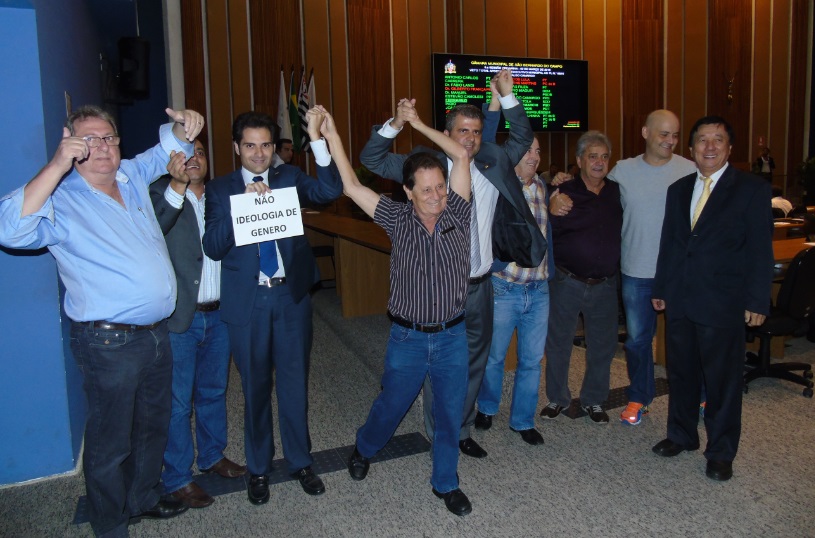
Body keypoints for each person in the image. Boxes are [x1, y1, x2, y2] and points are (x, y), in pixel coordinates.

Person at [0, 104, 204, 536]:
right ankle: (110, 525)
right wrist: (56, 165)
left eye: (108, 138)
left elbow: (169, 144)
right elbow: (9, 230)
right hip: (108, 343)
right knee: (111, 444)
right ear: (71, 144)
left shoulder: (129, 176)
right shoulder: (61, 200)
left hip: (156, 335)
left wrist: (183, 127)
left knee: (152, 428)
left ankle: (144, 498)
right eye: (89, 139)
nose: (103, 147)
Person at [360, 69, 544, 460]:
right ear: (448, 132)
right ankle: (436, 432)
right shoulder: (423, 166)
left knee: (470, 366)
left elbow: (523, 138)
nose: (471, 139)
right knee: (432, 366)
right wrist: (398, 122)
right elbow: (371, 158)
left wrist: (508, 97)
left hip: (480, 285)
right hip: (435, 293)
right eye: (463, 131)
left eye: (477, 132)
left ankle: (458, 429)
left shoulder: (494, 159)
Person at [320, 102, 474, 516]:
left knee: (448, 413)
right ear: (408, 192)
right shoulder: (396, 217)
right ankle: (365, 446)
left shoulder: (459, 212)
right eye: (425, 189)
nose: (436, 196)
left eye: (440, 186)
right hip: (406, 337)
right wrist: (333, 134)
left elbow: (460, 154)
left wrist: (418, 124)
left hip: (452, 336)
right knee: (391, 405)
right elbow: (352, 187)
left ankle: (446, 483)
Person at [202, 111, 342, 505]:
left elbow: (330, 191)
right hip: (248, 302)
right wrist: (238, 208)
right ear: (236, 148)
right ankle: (259, 468)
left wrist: (317, 140)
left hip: (289, 297)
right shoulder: (219, 190)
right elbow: (212, 246)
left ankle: (300, 461)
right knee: (256, 389)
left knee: (295, 384)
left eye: (265, 144)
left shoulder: (290, 179)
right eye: (250, 145)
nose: (259, 153)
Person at [651, 116, 773, 481]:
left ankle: (720, 451)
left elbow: (759, 252)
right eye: (702, 140)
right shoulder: (679, 188)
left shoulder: (751, 189)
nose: (709, 146)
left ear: (729, 148)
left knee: (722, 381)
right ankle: (681, 435)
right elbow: (671, 244)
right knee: (682, 373)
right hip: (682, 301)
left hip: (724, 303)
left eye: (717, 140)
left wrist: (757, 301)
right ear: (691, 150)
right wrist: (660, 287)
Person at [149, 139, 246, 509]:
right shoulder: (157, 193)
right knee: (177, 403)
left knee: (213, 391)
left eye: (201, 152)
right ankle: (176, 476)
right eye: (185, 153)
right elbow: (153, 230)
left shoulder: (223, 194)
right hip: (180, 317)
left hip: (220, 315)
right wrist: (176, 187)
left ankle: (211, 456)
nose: (194, 159)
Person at [607, 110, 696, 425]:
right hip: (636, 270)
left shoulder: (691, 170)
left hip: (679, 273)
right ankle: (638, 396)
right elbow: (595, 196)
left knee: (684, 339)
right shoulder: (623, 171)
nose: (671, 141)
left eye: (675, 135)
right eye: (664, 134)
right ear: (645, 132)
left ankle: (695, 394)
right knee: (637, 340)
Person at [539, 131, 622, 425]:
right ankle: (557, 398)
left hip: (605, 284)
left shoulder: (617, 192)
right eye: (592, 156)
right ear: (579, 160)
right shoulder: (562, 193)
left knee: (602, 345)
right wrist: (551, 197)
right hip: (567, 281)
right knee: (559, 342)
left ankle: (594, 400)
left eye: (604, 156)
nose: (599, 162)